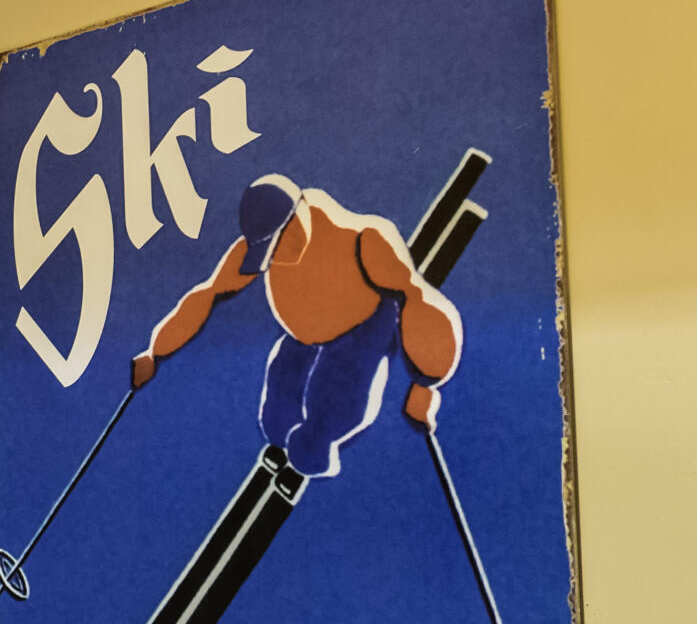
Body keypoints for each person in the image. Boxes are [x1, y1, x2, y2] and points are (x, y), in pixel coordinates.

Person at [132, 173, 462, 477]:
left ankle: (316, 448)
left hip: (361, 333)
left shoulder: (361, 240)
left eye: (284, 237)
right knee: (276, 421)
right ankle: (288, 442)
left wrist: (425, 384)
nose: (280, 253)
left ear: (301, 209)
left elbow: (416, 298)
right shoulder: (257, 249)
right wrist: (154, 353)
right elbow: (208, 294)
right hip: (302, 335)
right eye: (270, 247)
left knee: (325, 417)